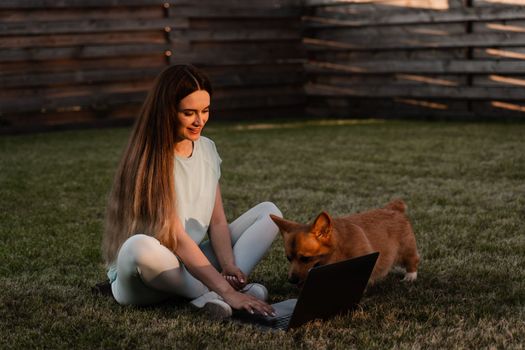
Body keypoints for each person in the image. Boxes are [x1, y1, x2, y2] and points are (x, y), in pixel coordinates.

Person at [102, 64, 281, 318]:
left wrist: (230, 265)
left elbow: (217, 222)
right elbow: (176, 238)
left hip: (188, 266)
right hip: (146, 277)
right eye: (189, 113)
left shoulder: (207, 148)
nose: (200, 121)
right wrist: (229, 292)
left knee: (269, 213)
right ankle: (218, 293)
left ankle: (212, 291)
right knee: (138, 246)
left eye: (205, 110)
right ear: (167, 112)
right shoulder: (149, 160)